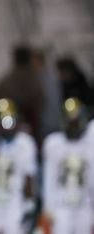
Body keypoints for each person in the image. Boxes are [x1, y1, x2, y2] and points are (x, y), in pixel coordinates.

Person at [0, 98, 38, 234]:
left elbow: (28, 176)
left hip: (14, 199)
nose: (6, 126)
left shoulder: (25, 143)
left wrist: (29, 204)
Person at [42, 97, 94, 234]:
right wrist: (48, 206)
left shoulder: (90, 141)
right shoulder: (54, 143)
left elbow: (92, 176)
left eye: (76, 122)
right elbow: (50, 176)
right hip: (62, 203)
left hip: (84, 203)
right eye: (71, 122)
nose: (74, 126)